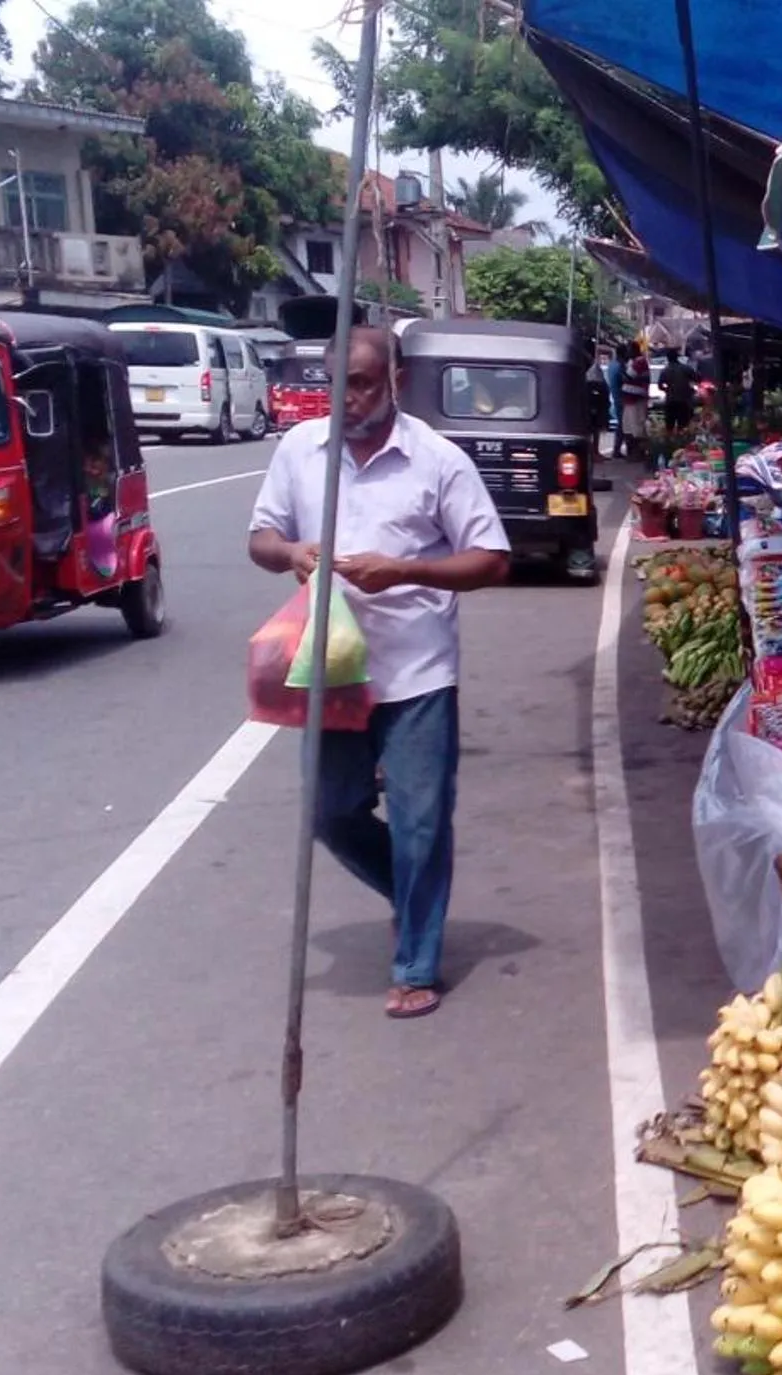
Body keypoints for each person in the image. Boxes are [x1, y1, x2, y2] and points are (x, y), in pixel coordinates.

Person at [247, 327, 511, 1019]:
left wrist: (407, 570)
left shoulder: (437, 460)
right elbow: (261, 539)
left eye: (362, 383)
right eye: (338, 384)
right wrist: (292, 553)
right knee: (331, 814)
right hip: (332, 667)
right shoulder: (300, 449)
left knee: (421, 821)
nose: (349, 398)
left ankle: (416, 963)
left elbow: (490, 558)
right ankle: (407, 888)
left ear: (393, 379)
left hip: (417, 669)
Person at [618, 347, 651, 463]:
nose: (627, 352)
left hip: (636, 399)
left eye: (629, 349)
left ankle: (638, 454)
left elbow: (627, 376)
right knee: (628, 427)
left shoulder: (640, 361)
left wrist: (623, 372)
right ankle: (632, 453)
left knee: (636, 428)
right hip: (630, 399)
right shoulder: (634, 362)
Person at [660, 351, 698, 437]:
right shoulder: (686, 368)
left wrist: (668, 390)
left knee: (669, 426)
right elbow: (697, 378)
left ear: (668, 359)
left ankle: (670, 444)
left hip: (670, 401)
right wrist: (689, 388)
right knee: (683, 425)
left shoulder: (665, 370)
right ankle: (682, 442)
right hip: (683, 401)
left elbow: (660, 385)